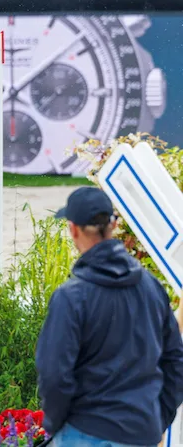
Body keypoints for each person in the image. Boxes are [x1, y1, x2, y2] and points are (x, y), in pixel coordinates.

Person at [35, 187, 183, 445]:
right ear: (113, 224)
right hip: (141, 431)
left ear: (73, 230)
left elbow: (54, 375)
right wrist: (156, 419)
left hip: (84, 432)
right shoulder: (151, 288)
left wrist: (56, 426)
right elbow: (175, 361)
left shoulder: (71, 297)